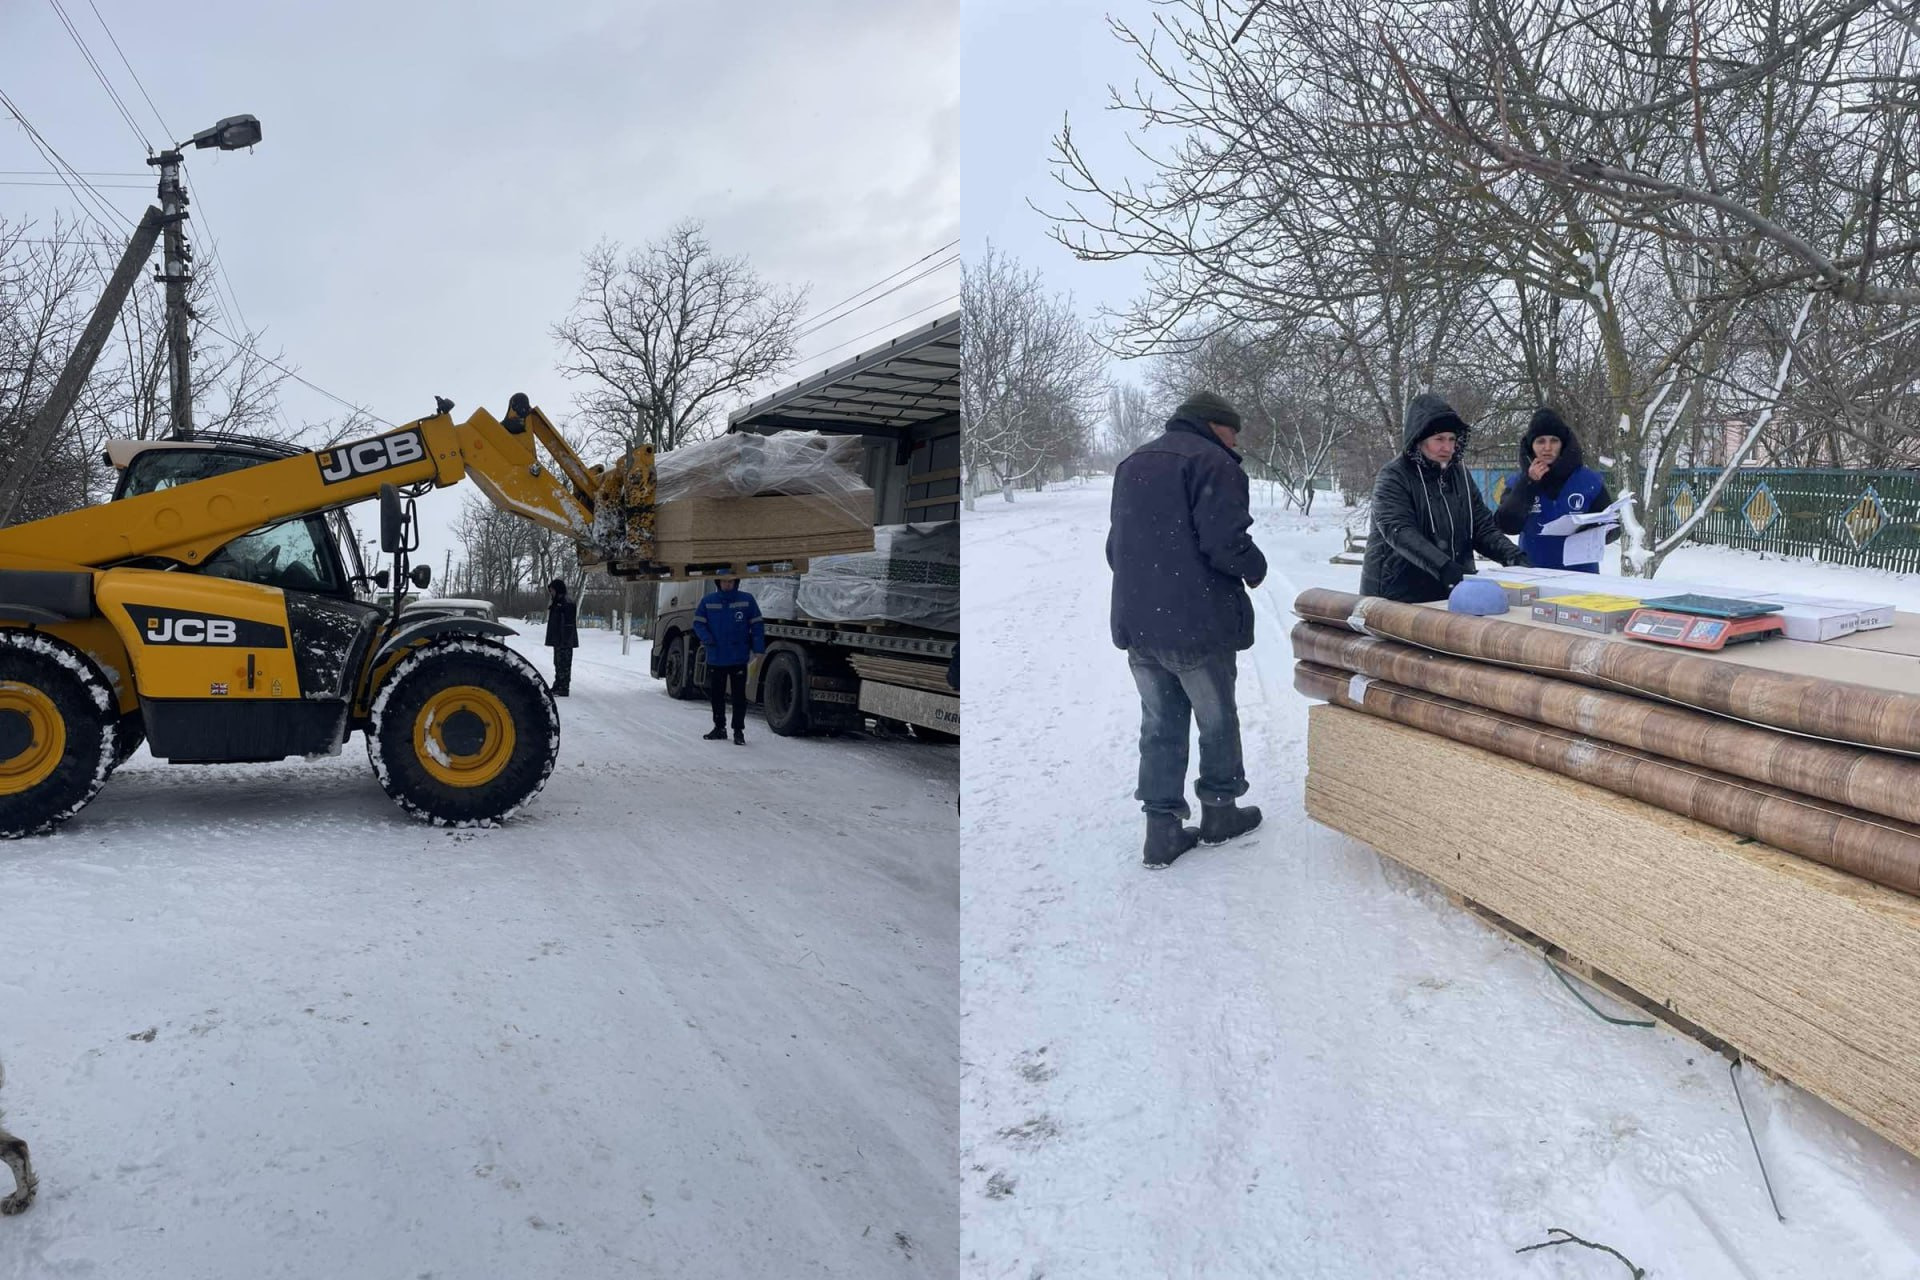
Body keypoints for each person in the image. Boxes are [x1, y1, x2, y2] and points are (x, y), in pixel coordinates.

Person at [1107, 391, 1267, 870]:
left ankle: (1162, 831)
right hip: (1197, 623)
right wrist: (1254, 566)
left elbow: (1116, 547)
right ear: (1215, 426)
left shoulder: (1133, 462)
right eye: (1233, 431)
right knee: (1217, 721)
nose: (1236, 441)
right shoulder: (1213, 462)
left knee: (1160, 725)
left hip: (1140, 623)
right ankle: (1220, 814)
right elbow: (1225, 542)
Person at [1361, 393, 1528, 603]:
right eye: (1439, 439)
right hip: (1397, 593)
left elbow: (1481, 526)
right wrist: (1443, 565)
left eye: (1451, 439)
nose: (1447, 448)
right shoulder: (1394, 476)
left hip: (1452, 589)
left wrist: (1513, 556)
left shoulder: (1460, 475)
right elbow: (1399, 531)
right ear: (1419, 440)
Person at [1494, 406, 1617, 573]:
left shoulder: (1589, 481)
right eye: (1540, 441)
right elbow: (1506, 525)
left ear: (1563, 444)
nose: (1547, 447)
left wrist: (1590, 531)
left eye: (1554, 440)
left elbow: (1614, 528)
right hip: (1534, 574)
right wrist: (1528, 483)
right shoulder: (1516, 482)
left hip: (1582, 577)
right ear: (1531, 446)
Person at [693, 576, 765, 745]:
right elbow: (698, 623)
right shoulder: (708, 601)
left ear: (736, 582)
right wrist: (707, 638)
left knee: (739, 696)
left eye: (731, 581)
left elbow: (757, 625)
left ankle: (738, 731)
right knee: (716, 695)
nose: (727, 584)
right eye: (724, 581)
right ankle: (719, 728)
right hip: (716, 657)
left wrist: (759, 649)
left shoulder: (746, 600)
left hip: (738, 657)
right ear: (718, 582)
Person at [543, 578, 579, 696]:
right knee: (557, 663)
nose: (551, 593)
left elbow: (568, 624)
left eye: (552, 590)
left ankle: (563, 687)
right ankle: (558, 684)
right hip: (558, 639)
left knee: (564, 664)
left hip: (564, 640)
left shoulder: (566, 602)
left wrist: (564, 639)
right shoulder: (557, 601)